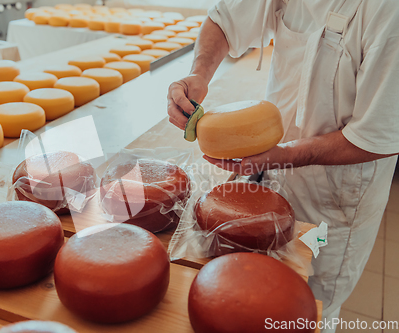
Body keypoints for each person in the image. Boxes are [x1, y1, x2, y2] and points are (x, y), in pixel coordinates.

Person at [167, 0, 399, 332]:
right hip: (275, 178)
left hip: (335, 205)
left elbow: (374, 137)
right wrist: (198, 73)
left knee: (310, 303)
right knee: (260, 292)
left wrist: (288, 155)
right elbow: (224, 19)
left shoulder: (389, 12)